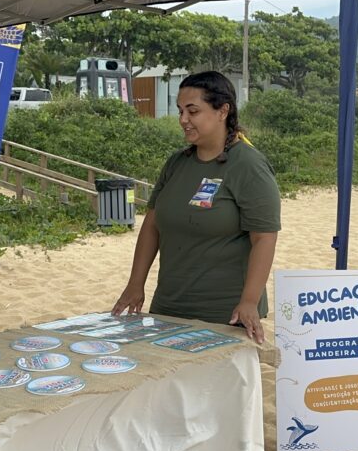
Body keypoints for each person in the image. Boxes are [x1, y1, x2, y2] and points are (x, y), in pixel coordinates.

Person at [110, 71, 280, 344]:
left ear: (223, 110)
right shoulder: (177, 163)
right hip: (169, 310)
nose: (183, 120)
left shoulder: (249, 166)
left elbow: (264, 238)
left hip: (225, 315)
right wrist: (135, 284)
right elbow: (152, 226)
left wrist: (249, 301)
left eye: (193, 111)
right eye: (180, 111)